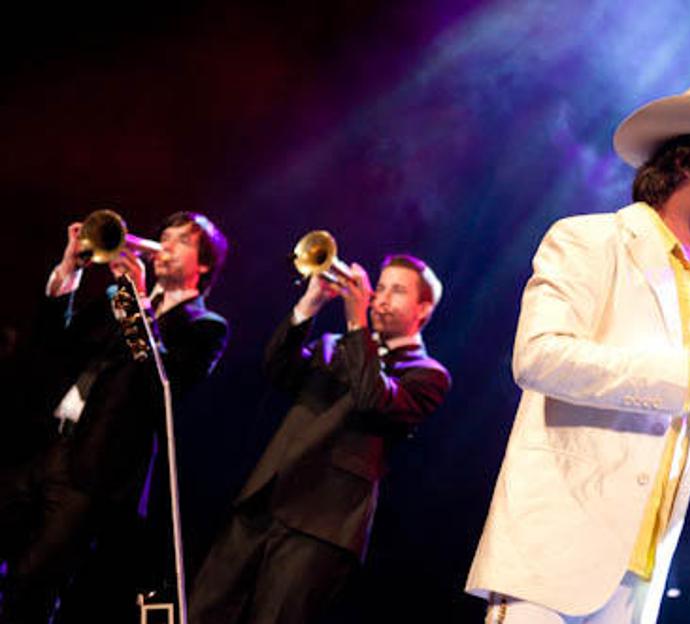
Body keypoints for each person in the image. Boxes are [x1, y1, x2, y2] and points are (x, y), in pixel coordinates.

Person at [465, 80, 690, 623]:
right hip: (553, 555)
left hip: (636, 581)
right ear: (685, 161)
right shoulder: (589, 241)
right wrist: (682, 373)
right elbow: (538, 357)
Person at [189, 253, 451, 624]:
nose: (381, 298)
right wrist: (309, 304)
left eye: (397, 291)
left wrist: (357, 324)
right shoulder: (335, 345)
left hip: (322, 524)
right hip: (264, 500)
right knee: (203, 611)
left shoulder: (428, 374)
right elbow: (278, 369)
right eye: (379, 288)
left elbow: (373, 398)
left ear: (423, 309)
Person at [0, 211, 229, 623]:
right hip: (43, 445)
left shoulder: (207, 327)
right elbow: (54, 342)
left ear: (205, 264)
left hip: (92, 470)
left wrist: (136, 301)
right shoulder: (115, 298)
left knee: (33, 580)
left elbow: (160, 382)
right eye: (165, 236)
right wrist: (70, 268)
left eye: (182, 241)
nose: (165, 245)